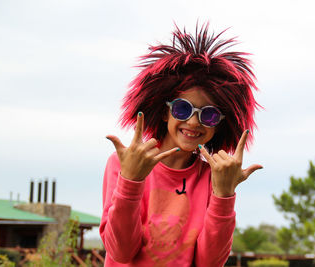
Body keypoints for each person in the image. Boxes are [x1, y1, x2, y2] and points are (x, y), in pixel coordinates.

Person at [99, 23, 262, 267]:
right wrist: (131, 182)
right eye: (183, 109)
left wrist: (224, 195)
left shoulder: (210, 178)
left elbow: (209, 263)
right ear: (165, 113)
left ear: (218, 125)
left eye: (209, 115)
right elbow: (120, 252)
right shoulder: (125, 163)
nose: (194, 122)